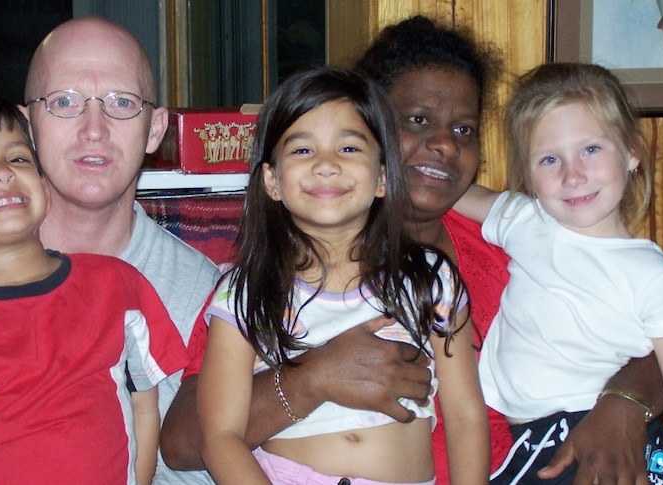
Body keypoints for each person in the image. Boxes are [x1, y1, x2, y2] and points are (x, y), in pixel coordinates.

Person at [162, 15, 663, 485]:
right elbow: (185, 441)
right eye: (418, 121)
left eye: (464, 129)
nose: (446, 145)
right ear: (376, 133)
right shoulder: (266, 277)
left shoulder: (508, 253)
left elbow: (657, 331)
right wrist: (310, 380)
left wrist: (624, 404)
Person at [0, 17, 220, 484]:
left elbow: (196, 461)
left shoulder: (197, 286)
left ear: (155, 129)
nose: (93, 129)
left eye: (121, 102)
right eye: (64, 103)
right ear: (29, 126)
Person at [198, 66, 488, 485]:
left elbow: (465, 416)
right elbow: (221, 437)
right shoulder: (245, 292)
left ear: (384, 177)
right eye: (302, 151)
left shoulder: (430, 278)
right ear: (272, 181)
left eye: (349, 149)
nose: (327, 165)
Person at [453, 62, 663, 484]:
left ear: (631, 153)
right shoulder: (524, 221)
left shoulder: (659, 278)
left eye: (591, 149)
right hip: (528, 442)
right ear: (528, 175)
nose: (573, 175)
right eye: (550, 159)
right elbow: (446, 187)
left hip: (610, 442)